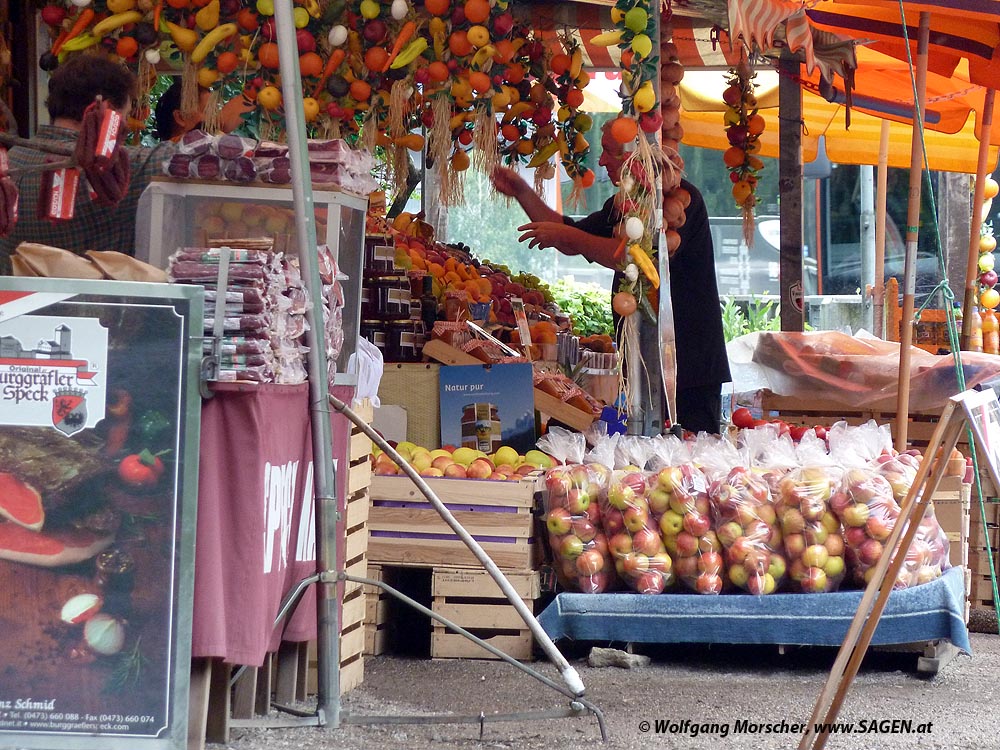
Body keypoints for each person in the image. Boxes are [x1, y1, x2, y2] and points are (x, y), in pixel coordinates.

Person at [490, 122, 731, 434]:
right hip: (643, 366)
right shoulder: (623, 204)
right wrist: (522, 191)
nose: (602, 162)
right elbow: (570, 235)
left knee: (692, 462)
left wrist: (568, 235)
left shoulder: (676, 201)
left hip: (686, 368)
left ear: (634, 156)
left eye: (608, 152)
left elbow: (631, 257)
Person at [0, 55, 174, 273]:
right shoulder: (129, 166)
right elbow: (188, 156)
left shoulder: (12, 160)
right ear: (105, 110)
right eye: (125, 116)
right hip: (94, 305)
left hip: (13, 304)